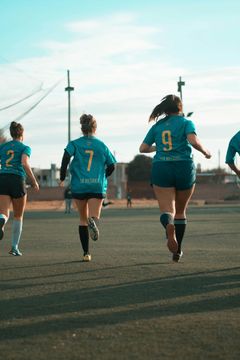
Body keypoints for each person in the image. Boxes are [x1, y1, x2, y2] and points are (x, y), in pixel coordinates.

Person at [139, 94, 211, 262]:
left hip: (162, 167)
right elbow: (193, 141)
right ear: (180, 108)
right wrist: (206, 152)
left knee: (167, 210)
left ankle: (168, 226)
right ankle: (177, 251)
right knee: (180, 211)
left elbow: (143, 148)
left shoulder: (158, 126)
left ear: (165, 109)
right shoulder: (186, 122)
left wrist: (159, 147)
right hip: (184, 167)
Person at [59, 114, 116, 262]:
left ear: (82, 128)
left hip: (79, 185)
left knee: (82, 219)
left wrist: (62, 176)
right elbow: (112, 165)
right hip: (96, 184)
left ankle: (86, 253)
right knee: (94, 216)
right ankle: (94, 222)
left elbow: (65, 158)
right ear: (95, 128)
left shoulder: (74, 143)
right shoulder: (101, 145)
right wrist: (104, 175)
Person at [0, 121, 39, 255]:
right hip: (17, 180)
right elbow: (24, 163)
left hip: (3, 179)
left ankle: (2, 220)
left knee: (4, 212)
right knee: (18, 216)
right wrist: (34, 181)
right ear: (22, 134)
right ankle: (14, 247)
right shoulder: (25, 147)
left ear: (11, 133)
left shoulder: (3, 147)